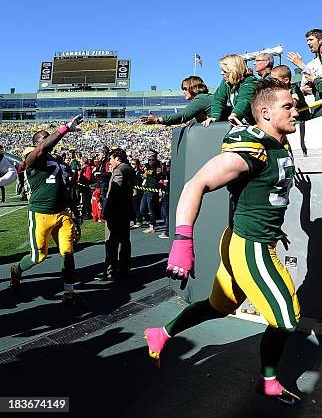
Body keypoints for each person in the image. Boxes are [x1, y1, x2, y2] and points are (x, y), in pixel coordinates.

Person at [144, 79, 301, 405]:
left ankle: (161, 332)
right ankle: (268, 381)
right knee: (286, 318)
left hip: (247, 238)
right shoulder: (253, 149)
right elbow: (195, 183)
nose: (296, 111)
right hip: (250, 246)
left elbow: (264, 194)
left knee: (219, 306)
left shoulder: (278, 141)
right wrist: (182, 240)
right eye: (288, 106)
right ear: (265, 112)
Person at [9, 115, 84, 305]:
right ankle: (16, 270)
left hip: (62, 212)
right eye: (46, 137)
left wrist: (75, 211)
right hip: (41, 213)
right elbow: (42, 148)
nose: (50, 139)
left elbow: (64, 189)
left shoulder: (58, 162)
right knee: (38, 256)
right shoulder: (32, 159)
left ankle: (69, 292)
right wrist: (64, 128)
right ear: (36, 143)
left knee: (67, 252)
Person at [102, 148, 136, 279]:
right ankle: (124, 268)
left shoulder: (119, 171)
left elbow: (114, 194)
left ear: (117, 158)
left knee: (111, 242)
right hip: (126, 210)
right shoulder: (130, 169)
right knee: (125, 240)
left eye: (111, 159)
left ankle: (110, 270)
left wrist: (106, 211)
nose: (110, 161)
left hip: (116, 212)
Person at [206, 54, 258, 127]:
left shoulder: (250, 81)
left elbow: (244, 100)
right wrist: (214, 117)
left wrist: (235, 114)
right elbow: (218, 99)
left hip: (256, 124)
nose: (221, 73)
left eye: (224, 70)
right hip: (242, 124)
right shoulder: (226, 81)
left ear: (233, 70)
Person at [140, 76, 213, 126]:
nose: (183, 92)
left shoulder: (201, 99)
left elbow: (182, 116)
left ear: (193, 88)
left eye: (185, 89)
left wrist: (157, 119)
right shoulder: (203, 98)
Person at [287, 28, 322, 105]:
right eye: (307, 40)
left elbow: (321, 81)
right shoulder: (310, 64)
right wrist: (302, 89)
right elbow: (304, 85)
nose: (308, 43)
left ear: (321, 40)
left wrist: (300, 64)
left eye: (311, 40)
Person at [140, 150, 161, 234]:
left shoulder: (158, 167)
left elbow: (157, 177)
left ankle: (152, 226)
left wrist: (148, 175)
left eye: (152, 160)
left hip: (152, 190)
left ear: (156, 160)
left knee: (151, 209)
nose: (151, 161)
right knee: (142, 209)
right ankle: (151, 221)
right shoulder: (147, 167)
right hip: (146, 190)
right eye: (149, 160)